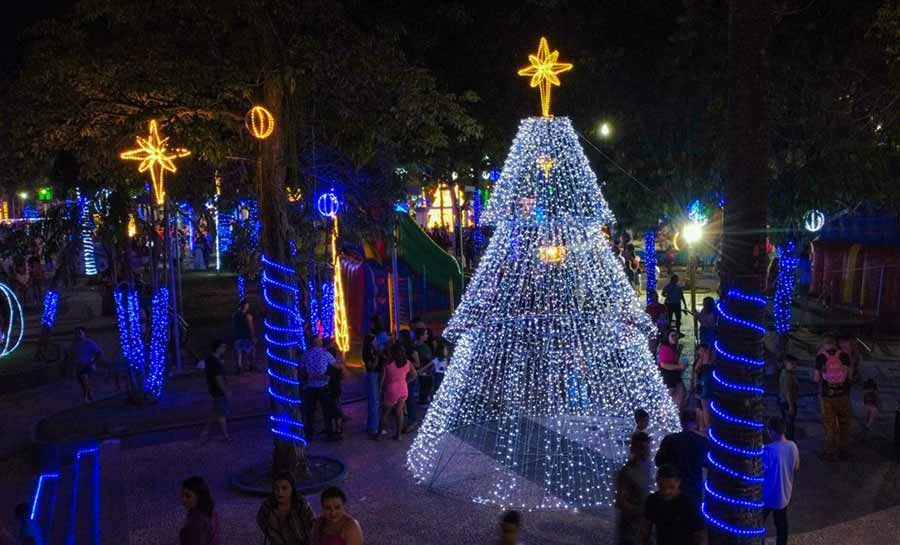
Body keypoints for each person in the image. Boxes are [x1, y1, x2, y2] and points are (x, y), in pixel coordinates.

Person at [654, 409, 707, 508]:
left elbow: (658, 461)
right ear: (696, 422)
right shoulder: (702, 442)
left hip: (671, 492)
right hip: (693, 493)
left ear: (681, 422)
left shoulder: (670, 439)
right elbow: (708, 464)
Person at [641, 465, 704, 545]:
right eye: (662, 487)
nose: (666, 492)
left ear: (679, 482)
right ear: (657, 481)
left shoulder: (688, 503)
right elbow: (645, 529)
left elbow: (700, 532)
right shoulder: (653, 501)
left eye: (671, 487)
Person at [814, 335, 852, 461]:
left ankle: (829, 453)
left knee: (830, 426)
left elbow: (816, 378)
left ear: (824, 344)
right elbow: (850, 377)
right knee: (844, 424)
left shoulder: (821, 357)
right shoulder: (844, 355)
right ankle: (844, 451)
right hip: (843, 396)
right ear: (835, 344)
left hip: (827, 397)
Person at [762, 417, 799, 545]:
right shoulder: (793, 446)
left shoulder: (768, 450)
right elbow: (795, 467)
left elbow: (761, 471)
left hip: (767, 496)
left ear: (772, 432)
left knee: (758, 522)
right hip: (784, 495)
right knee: (781, 524)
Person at [256, 472, 315, 545]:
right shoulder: (267, 508)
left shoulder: (301, 504)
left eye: (284, 488)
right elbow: (266, 528)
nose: (279, 492)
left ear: (292, 489)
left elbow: (312, 526)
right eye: (276, 488)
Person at [616, 432, 653, 545]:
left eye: (647, 448)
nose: (646, 452)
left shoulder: (647, 465)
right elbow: (621, 501)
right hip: (631, 527)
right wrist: (640, 511)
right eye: (642, 448)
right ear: (634, 449)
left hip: (643, 525)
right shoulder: (627, 472)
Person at [300, 337, 336, 440]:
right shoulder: (325, 354)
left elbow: (301, 369)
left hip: (310, 386)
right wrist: (327, 376)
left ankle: (309, 433)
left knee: (310, 411)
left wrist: (307, 378)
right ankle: (329, 432)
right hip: (323, 385)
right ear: (319, 343)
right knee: (326, 410)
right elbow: (334, 366)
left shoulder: (306, 354)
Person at [379, 344, 416, 440]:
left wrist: (380, 390)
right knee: (399, 412)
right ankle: (398, 435)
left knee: (385, 413)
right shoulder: (407, 363)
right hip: (403, 389)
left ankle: (379, 434)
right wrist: (406, 382)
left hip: (391, 389)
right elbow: (414, 375)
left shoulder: (388, 363)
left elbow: (382, 379)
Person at [361, 317, 388, 438]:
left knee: (374, 399)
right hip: (378, 370)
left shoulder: (373, 338)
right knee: (376, 399)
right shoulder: (379, 337)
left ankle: (373, 426)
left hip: (376, 370)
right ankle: (374, 426)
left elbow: (369, 357)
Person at [200, 340, 230, 442]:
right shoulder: (215, 362)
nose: (225, 349)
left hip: (213, 388)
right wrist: (225, 391)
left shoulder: (210, 359)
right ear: (218, 348)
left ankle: (205, 432)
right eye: (223, 347)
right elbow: (218, 378)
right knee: (221, 413)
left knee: (215, 411)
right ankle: (225, 435)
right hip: (218, 390)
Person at [179, 476, 220, 545]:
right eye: (182, 494)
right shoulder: (212, 512)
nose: (183, 499)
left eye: (188, 496)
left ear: (199, 496)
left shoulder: (196, 522)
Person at [69, 327, 103, 403]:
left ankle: (87, 396)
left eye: (79, 333)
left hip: (88, 365)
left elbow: (99, 352)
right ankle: (89, 394)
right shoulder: (75, 344)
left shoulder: (90, 342)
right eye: (76, 333)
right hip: (79, 366)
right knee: (83, 383)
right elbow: (72, 355)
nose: (78, 335)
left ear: (84, 333)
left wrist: (93, 362)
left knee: (85, 379)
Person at [657, 330, 685, 408]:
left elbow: (673, 360)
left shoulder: (672, 347)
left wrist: (678, 352)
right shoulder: (665, 348)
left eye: (676, 336)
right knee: (668, 399)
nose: (675, 338)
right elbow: (663, 364)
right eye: (672, 336)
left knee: (680, 393)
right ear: (667, 337)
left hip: (673, 376)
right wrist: (679, 367)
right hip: (668, 377)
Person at [691, 344, 714, 433]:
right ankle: (707, 427)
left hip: (705, 383)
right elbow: (696, 371)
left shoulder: (704, 357)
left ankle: (707, 428)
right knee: (704, 407)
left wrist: (696, 383)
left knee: (704, 407)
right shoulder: (703, 358)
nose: (702, 352)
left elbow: (696, 371)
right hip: (706, 383)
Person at [778, 354, 800, 441]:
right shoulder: (788, 375)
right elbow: (788, 391)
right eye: (792, 364)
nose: (795, 366)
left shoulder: (786, 373)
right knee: (789, 424)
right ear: (786, 363)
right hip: (787, 403)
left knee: (788, 423)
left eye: (796, 364)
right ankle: (789, 442)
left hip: (784, 401)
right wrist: (791, 405)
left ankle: (787, 441)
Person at [325, 349, 345, 440]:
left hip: (332, 391)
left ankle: (336, 430)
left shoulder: (330, 368)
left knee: (333, 410)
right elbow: (343, 377)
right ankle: (339, 429)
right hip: (338, 390)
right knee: (338, 409)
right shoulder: (339, 367)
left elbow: (327, 380)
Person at [232, 300, 257, 373]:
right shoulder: (246, 316)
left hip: (238, 336)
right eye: (247, 305)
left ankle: (239, 368)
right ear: (244, 306)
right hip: (246, 336)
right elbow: (250, 326)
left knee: (239, 353)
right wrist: (253, 336)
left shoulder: (235, 315)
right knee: (250, 352)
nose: (248, 307)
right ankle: (250, 366)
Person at [413, 331, 434, 404]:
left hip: (426, 371)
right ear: (420, 336)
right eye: (425, 334)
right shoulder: (415, 347)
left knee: (426, 386)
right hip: (420, 372)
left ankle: (423, 401)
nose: (427, 335)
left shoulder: (426, 346)